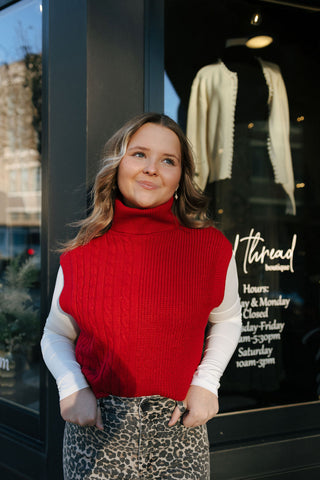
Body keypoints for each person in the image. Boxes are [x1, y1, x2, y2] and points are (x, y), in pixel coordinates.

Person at [41, 112, 242, 480]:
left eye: (168, 160)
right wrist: (71, 387)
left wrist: (206, 383)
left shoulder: (211, 248)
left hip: (179, 428)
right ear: (117, 165)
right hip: (97, 430)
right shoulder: (81, 251)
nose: (152, 168)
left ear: (180, 178)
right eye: (139, 155)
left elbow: (227, 319)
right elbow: (55, 333)